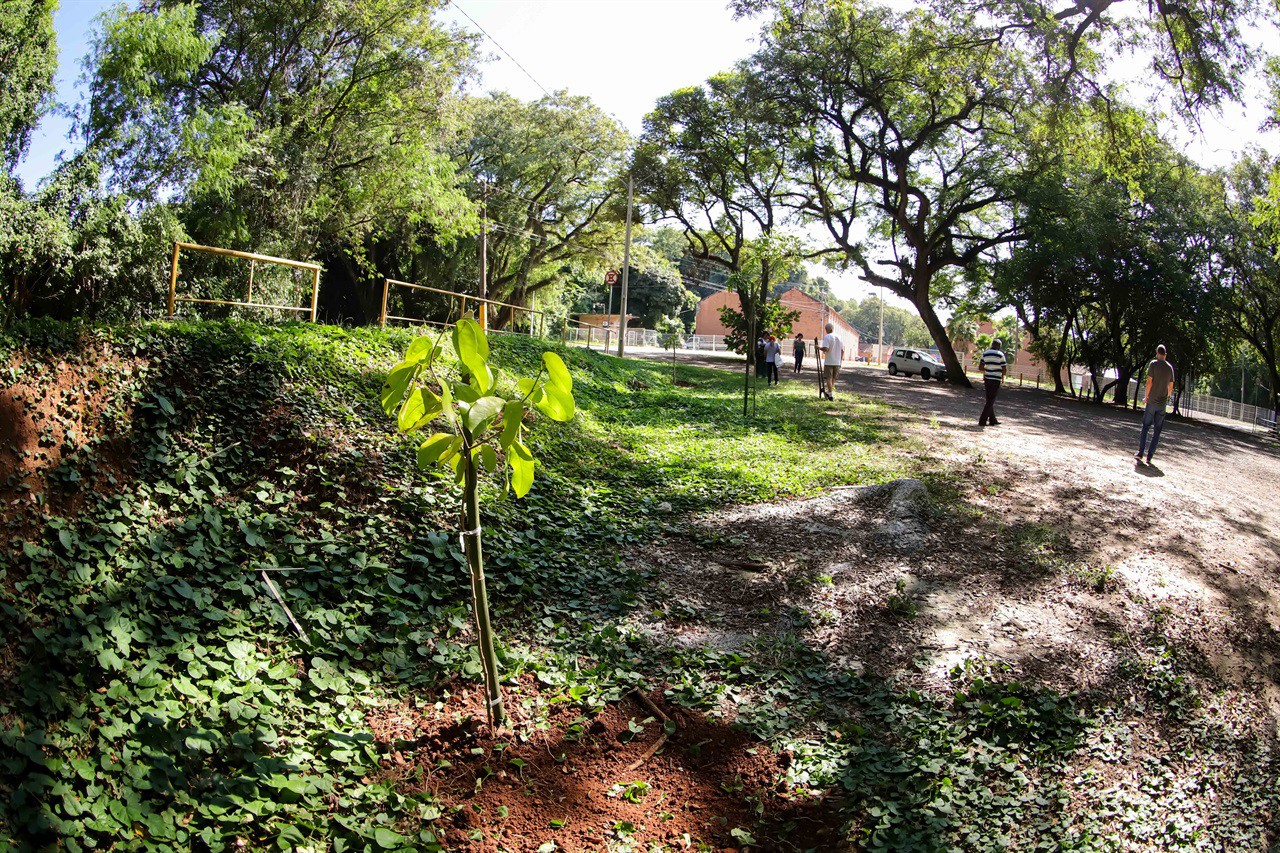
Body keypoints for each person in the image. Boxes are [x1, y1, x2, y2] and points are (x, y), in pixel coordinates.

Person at [1136, 344, 1175, 465]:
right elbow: (1171, 387)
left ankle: (1141, 452)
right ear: (1165, 354)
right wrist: (1166, 396)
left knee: (1146, 426)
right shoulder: (1170, 368)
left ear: (1157, 353)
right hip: (1162, 403)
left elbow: (1149, 382)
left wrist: (1146, 397)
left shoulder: (1153, 364)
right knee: (1157, 431)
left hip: (1152, 401)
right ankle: (1150, 457)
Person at [978, 338, 1007, 427]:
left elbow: (981, 367)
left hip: (987, 378)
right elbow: (1004, 369)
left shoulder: (986, 353)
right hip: (996, 379)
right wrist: (1001, 374)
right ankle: (982, 420)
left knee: (989, 399)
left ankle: (992, 420)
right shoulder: (1000, 355)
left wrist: (988, 369)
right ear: (999, 346)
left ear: (992, 344)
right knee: (991, 400)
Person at [818, 323, 842, 401]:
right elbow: (842, 350)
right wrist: (840, 360)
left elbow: (826, 349)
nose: (826, 331)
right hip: (837, 361)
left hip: (829, 361)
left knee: (828, 378)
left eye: (826, 329)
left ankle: (830, 394)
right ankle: (829, 392)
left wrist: (818, 348)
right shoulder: (839, 337)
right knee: (833, 378)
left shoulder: (827, 337)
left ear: (829, 329)